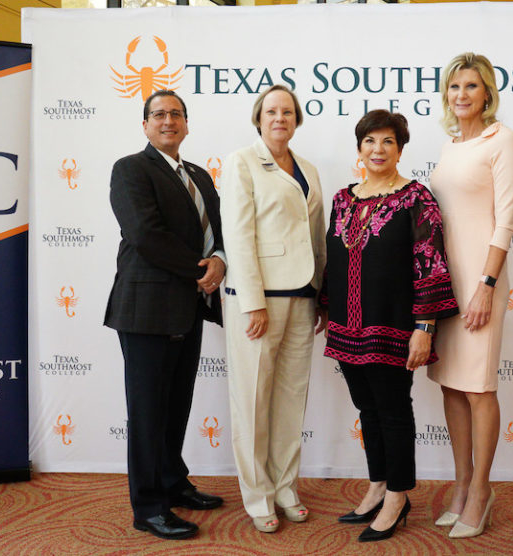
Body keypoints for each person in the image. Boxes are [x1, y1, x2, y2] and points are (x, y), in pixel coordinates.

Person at [323, 109, 459, 542]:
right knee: (367, 410)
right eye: (370, 142)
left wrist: (425, 325)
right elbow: (334, 261)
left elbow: (431, 263)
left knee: (394, 411)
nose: (378, 150)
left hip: (395, 326)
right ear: (359, 148)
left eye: (387, 142)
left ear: (400, 149)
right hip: (346, 325)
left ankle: (399, 496)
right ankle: (377, 484)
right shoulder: (344, 199)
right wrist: (327, 310)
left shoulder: (416, 198)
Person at [105, 89, 226, 540]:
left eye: (176, 114)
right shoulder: (131, 169)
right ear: (145, 125)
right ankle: (150, 506)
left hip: (188, 308)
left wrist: (221, 260)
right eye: (158, 114)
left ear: (187, 124)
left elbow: (216, 230)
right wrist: (202, 269)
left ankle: (174, 483)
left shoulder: (198, 175)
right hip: (147, 311)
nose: (168, 120)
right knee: (149, 412)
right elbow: (145, 234)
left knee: (176, 407)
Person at [219, 84, 326, 534]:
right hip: (259, 301)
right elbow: (238, 236)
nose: (279, 118)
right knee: (254, 400)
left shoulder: (309, 168)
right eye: (271, 111)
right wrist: (252, 302)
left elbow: (316, 235)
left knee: (289, 400)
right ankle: (258, 495)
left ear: (296, 119)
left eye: (287, 111)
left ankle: (285, 487)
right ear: (258, 118)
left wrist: (322, 294)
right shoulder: (241, 162)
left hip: (303, 297)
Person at [426, 52, 513, 539]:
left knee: (479, 389)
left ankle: (481, 492)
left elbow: (505, 220)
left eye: (471, 86)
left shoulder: (500, 139)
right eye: (454, 86)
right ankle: (460, 485)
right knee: (451, 385)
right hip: (445, 284)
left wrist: (486, 285)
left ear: (487, 92)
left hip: (481, 282)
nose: (461, 94)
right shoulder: (449, 146)